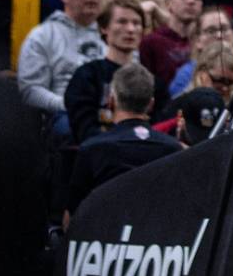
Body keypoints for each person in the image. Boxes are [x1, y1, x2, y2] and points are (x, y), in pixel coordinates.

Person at [65, 64, 181, 217]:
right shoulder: (173, 149)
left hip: (103, 229)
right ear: (151, 104)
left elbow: (72, 216)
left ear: (111, 101)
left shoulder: (92, 149)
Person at [16, 0, 107, 127]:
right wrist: (71, 105)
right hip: (64, 118)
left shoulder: (113, 34)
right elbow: (30, 90)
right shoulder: (43, 35)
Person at [64, 0, 146, 142]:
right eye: (122, 22)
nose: (131, 29)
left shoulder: (151, 80)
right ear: (104, 28)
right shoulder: (87, 76)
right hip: (101, 149)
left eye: (136, 23)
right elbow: (83, 129)